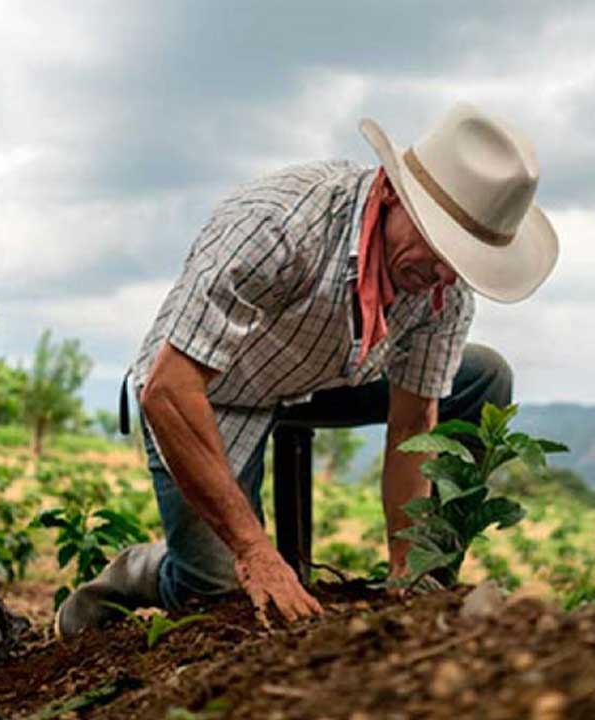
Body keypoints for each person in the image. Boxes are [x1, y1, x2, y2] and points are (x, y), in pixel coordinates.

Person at [55, 102, 559, 638]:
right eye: (439, 247)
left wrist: (406, 567)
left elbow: (414, 423)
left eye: (460, 261)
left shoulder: (442, 287)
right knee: (217, 592)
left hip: (324, 376)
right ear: (393, 194)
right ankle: (139, 572)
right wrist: (254, 551)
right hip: (212, 390)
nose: (443, 275)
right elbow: (169, 390)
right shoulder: (279, 226)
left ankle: (431, 581)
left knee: (483, 376)